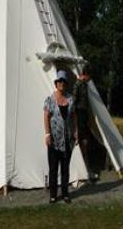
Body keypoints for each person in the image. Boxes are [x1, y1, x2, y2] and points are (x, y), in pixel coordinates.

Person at [43, 70, 78, 204]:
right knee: (53, 168)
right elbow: (46, 116)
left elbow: (74, 115)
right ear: (56, 84)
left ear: (66, 84)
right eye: (59, 82)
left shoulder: (70, 99)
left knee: (65, 168)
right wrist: (47, 134)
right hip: (54, 141)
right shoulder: (50, 100)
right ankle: (53, 195)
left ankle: (65, 194)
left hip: (67, 140)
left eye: (63, 82)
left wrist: (76, 131)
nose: (61, 84)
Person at [73, 65, 97, 181]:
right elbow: (74, 105)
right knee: (82, 143)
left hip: (84, 115)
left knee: (86, 143)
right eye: (89, 77)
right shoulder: (77, 85)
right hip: (79, 115)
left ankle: (87, 168)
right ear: (85, 75)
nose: (90, 79)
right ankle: (82, 170)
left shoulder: (85, 85)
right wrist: (76, 125)